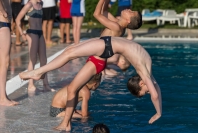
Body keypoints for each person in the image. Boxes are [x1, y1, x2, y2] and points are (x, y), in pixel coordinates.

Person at [19, 36, 162, 131]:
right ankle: (66, 123)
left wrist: (158, 112)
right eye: (146, 91)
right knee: (69, 52)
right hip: (104, 49)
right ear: (142, 83)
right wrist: (158, 112)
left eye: (147, 91)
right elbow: (156, 92)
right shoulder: (146, 73)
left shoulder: (145, 70)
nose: (149, 90)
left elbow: (155, 93)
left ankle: (39, 72)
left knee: (70, 56)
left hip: (105, 48)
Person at [93, 0, 141, 76]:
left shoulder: (116, 27)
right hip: (98, 60)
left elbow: (96, 14)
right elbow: (104, 12)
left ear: (128, 20)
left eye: (131, 12)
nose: (129, 9)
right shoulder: (117, 24)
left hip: (96, 61)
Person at [16, 0, 55, 92]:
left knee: (44, 59)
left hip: (40, 33)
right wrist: (22, 34)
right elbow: (17, 19)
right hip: (32, 32)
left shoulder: (41, 4)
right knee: (33, 59)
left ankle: (46, 84)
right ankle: (30, 84)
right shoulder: (29, 4)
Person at [0, 0, 18, 106]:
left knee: (0, 63)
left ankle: (3, 95)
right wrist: (4, 12)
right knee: (4, 62)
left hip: (3, 22)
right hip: (2, 23)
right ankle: (2, 98)